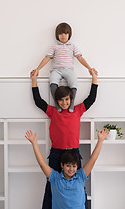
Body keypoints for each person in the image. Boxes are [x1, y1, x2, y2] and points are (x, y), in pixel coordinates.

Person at [31, 69, 98, 209]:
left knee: (79, 185)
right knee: (51, 186)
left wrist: (94, 78)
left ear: (71, 99)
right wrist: (34, 80)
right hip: (56, 153)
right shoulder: (53, 111)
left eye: (66, 99)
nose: (64, 102)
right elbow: (38, 101)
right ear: (57, 101)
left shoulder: (78, 110)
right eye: (60, 100)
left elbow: (91, 99)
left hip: (74, 153)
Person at [25, 128, 109, 209]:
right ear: (62, 165)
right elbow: (42, 164)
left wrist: (100, 140)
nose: (71, 169)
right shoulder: (55, 178)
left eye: (74, 166)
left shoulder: (80, 176)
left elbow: (92, 159)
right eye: (68, 166)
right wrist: (34, 143)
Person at [30, 22, 97, 112]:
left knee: (73, 83)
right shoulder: (54, 46)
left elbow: (80, 58)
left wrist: (89, 68)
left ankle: (71, 104)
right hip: (57, 70)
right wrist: (38, 69)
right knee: (52, 82)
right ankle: (57, 103)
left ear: (69, 35)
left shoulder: (72, 46)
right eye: (60, 33)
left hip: (69, 70)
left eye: (65, 33)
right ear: (57, 35)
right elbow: (47, 58)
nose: (63, 36)